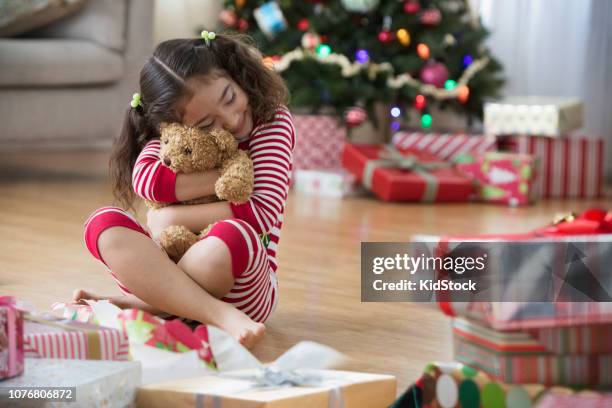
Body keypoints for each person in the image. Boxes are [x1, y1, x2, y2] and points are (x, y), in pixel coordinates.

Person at [74, 32, 294, 348]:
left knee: (232, 234)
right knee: (102, 224)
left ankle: (152, 306)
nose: (231, 120)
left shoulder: (271, 121)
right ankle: (208, 313)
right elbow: (146, 181)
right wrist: (223, 178)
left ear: (234, 74)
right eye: (206, 125)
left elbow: (261, 213)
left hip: (244, 290)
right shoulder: (171, 141)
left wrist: (168, 218)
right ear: (171, 128)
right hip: (169, 270)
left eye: (230, 98)